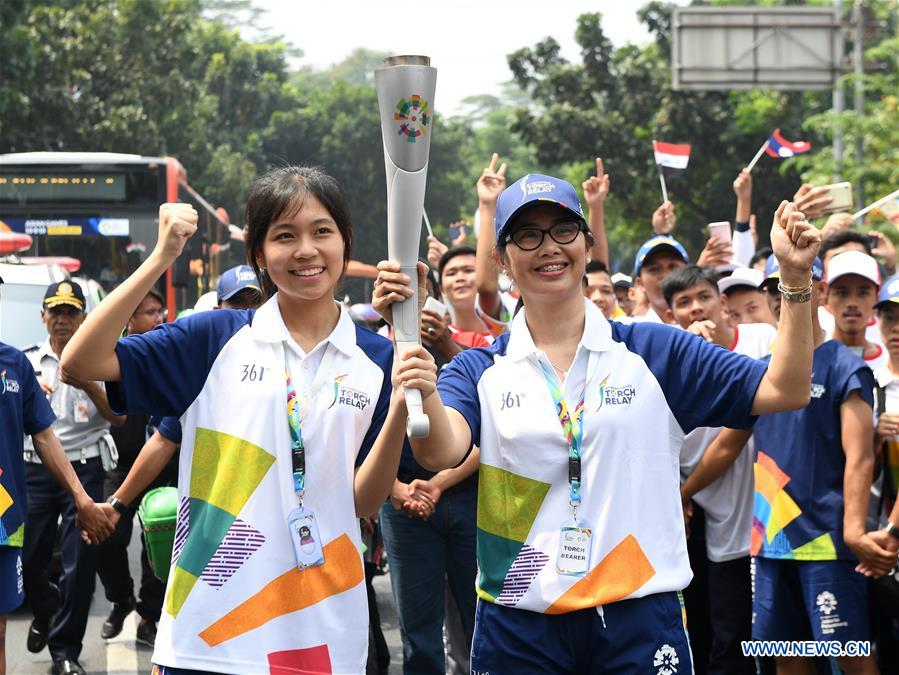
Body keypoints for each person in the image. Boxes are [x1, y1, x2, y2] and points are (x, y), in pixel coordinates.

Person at [375, 171, 822, 672]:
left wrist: (796, 281)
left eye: (563, 230)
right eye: (527, 235)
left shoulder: (656, 352)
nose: (549, 247)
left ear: (587, 246)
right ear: (501, 259)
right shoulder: (481, 368)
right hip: (521, 621)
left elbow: (786, 389)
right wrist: (412, 354)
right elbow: (440, 451)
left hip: (637, 612)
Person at [61, 166, 427, 674]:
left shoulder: (375, 358)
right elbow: (79, 362)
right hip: (204, 636)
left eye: (322, 232)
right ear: (258, 253)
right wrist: (161, 257)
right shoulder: (211, 338)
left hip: (322, 636)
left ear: (346, 243)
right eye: (284, 235)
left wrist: (406, 375)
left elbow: (364, 500)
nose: (305, 250)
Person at [661, 265, 776, 675]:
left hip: (749, 508)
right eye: (683, 303)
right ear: (671, 314)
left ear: (723, 303)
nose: (695, 309)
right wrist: (679, 493)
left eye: (703, 297)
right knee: (701, 619)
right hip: (691, 509)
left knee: (740, 627)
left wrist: (682, 492)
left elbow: (732, 440)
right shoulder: (663, 360)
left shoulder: (762, 342)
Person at [0, 278, 113, 675]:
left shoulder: (103, 359)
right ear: (43, 316)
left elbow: (120, 415)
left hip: (83, 466)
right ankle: (46, 611)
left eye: (71, 312)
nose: (63, 320)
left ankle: (64, 652)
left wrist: (89, 385)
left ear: (84, 316)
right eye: (56, 311)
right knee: (29, 559)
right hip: (30, 470)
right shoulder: (23, 363)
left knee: (81, 562)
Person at [98, 288, 171, 647]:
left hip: (165, 462)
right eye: (150, 312)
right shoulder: (112, 356)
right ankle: (121, 599)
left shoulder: (171, 349)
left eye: (161, 311)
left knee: (158, 540)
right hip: (123, 463)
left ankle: (149, 615)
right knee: (105, 536)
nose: (159, 318)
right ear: (129, 318)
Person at [826, 250, 887, 372]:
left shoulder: (889, 361)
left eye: (863, 293)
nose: (852, 303)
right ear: (825, 297)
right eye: (842, 293)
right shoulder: (810, 356)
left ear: (877, 297)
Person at [629, 234, 690, 323]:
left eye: (673, 267)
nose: (665, 276)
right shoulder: (629, 332)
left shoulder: (711, 327)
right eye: (654, 269)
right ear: (640, 283)